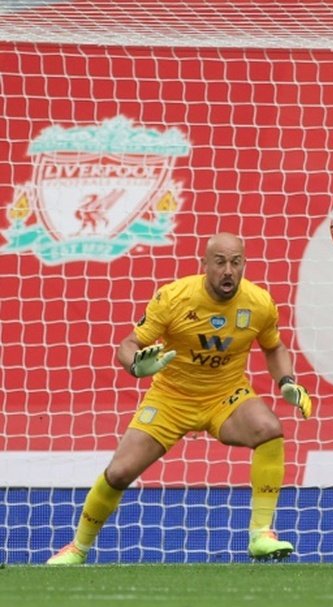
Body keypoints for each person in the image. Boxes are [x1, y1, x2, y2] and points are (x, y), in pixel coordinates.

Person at [46, 232, 312, 565]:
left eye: (236, 262)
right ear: (204, 265)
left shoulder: (259, 303)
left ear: (244, 263)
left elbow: (274, 347)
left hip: (225, 396)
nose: (228, 271)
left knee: (269, 429)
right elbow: (127, 345)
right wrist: (137, 365)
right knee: (118, 474)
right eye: (220, 262)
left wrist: (286, 381)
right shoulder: (174, 297)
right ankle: (77, 549)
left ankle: (261, 534)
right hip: (171, 400)